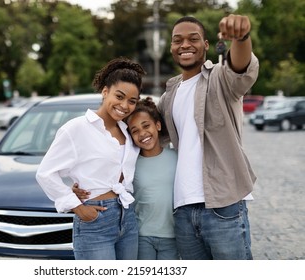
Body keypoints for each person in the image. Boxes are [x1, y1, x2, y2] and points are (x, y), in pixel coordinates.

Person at [157, 14, 259, 260]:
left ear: (205, 45)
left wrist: (241, 38)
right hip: (182, 210)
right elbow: (144, 140)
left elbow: (241, 69)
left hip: (223, 204)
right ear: (171, 47)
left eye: (193, 39)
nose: (184, 45)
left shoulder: (220, 78)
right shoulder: (169, 95)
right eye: (177, 40)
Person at [36, 57, 146, 260]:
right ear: (105, 92)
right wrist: (77, 207)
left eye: (132, 101)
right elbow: (45, 173)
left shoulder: (128, 130)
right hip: (96, 220)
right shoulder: (77, 128)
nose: (125, 105)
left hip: (127, 218)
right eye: (119, 96)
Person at [74, 97, 180, 260]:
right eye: (135, 130)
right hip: (141, 236)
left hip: (173, 237)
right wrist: (76, 190)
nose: (142, 133)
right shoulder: (129, 163)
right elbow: (104, 181)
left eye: (146, 126)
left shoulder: (176, 158)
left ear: (157, 125)